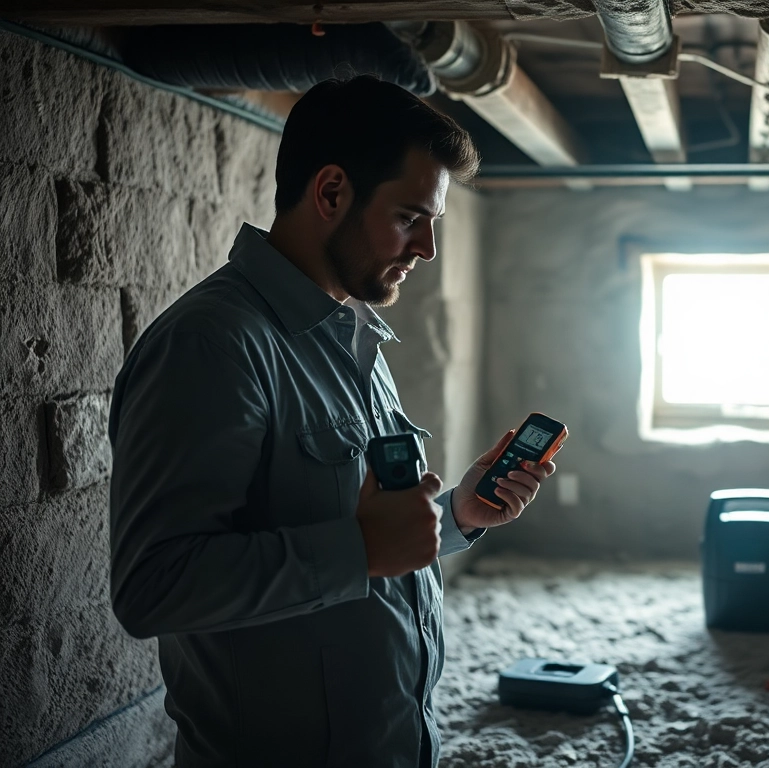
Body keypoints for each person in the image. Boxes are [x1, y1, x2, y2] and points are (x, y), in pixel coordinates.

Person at [107, 75, 555, 767]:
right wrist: (361, 550)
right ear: (332, 193)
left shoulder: (354, 334)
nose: (427, 249)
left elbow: (360, 531)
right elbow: (153, 587)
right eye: (411, 217)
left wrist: (456, 516)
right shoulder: (211, 344)